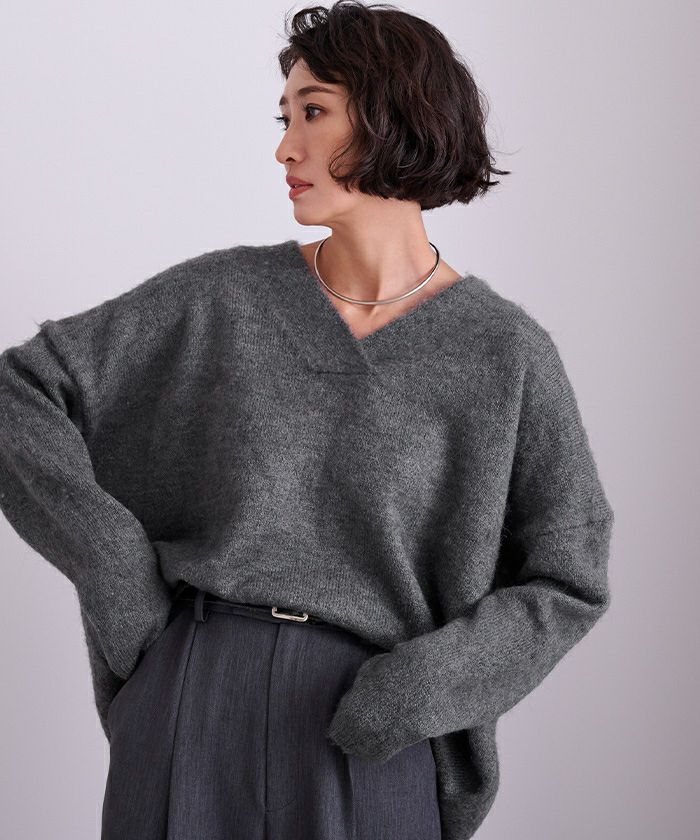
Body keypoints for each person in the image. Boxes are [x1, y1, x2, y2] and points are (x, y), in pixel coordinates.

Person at [0, 2, 614, 839]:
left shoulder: (504, 353)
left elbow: (569, 576)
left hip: (373, 731)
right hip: (193, 696)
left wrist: (421, 689)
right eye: (284, 118)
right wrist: (115, 573)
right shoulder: (221, 298)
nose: (286, 148)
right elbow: (19, 394)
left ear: (396, 114)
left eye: (313, 112)